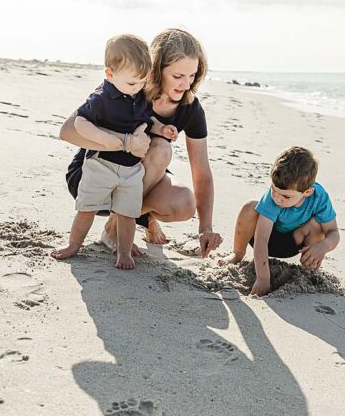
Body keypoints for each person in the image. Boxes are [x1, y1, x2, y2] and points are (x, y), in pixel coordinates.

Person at [59, 28, 223, 258]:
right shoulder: (130, 86)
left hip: (136, 180)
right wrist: (125, 143)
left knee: (185, 202)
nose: (186, 85)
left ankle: (132, 220)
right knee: (161, 148)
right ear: (156, 70)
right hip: (94, 177)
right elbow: (67, 131)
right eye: (177, 76)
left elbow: (202, 173)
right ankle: (116, 228)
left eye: (192, 75)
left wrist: (206, 228)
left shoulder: (191, 109)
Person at [51, 34, 177, 269]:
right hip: (101, 165)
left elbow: (146, 118)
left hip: (131, 170)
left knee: (127, 214)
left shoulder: (138, 93)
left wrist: (161, 128)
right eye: (132, 83)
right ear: (110, 74)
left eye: (142, 82)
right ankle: (73, 244)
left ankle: (123, 251)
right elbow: (80, 123)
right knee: (87, 209)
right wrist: (105, 139)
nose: (138, 87)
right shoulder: (101, 98)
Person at [223, 146, 340, 296]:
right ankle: (237, 254)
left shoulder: (319, 197)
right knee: (250, 207)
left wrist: (324, 246)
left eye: (286, 196)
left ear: (307, 192)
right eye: (274, 190)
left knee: (316, 225)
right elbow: (261, 240)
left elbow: (333, 232)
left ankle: (309, 269)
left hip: (293, 243)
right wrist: (263, 279)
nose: (277, 198)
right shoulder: (272, 199)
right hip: (264, 239)